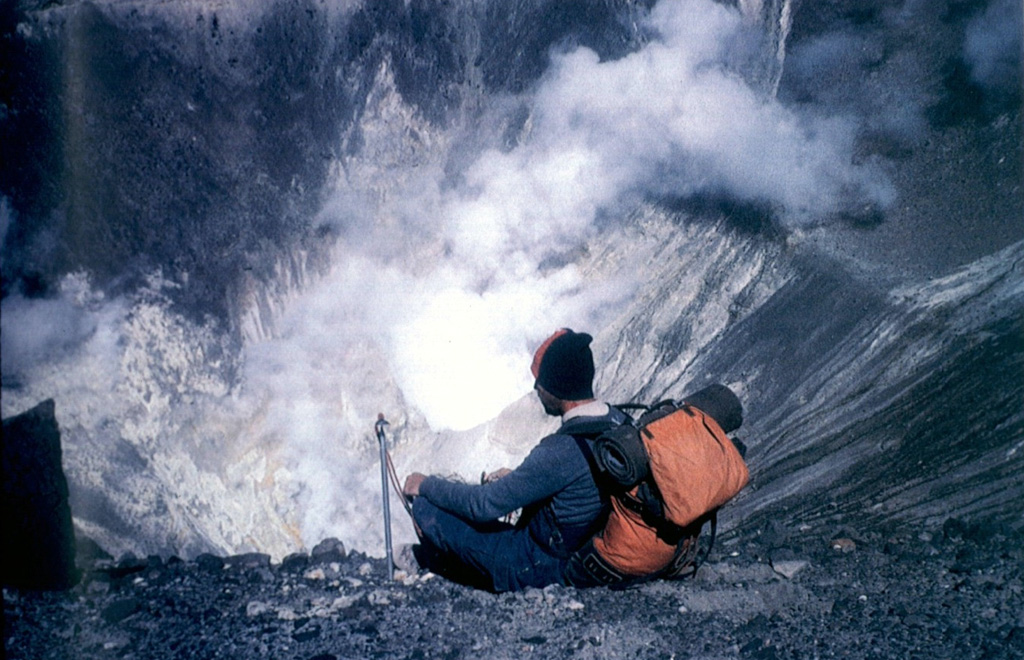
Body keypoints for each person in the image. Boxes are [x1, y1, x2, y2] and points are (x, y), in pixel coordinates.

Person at [400, 328, 628, 592]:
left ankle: (434, 563)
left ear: (556, 387)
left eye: (540, 382)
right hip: (587, 552)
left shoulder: (561, 449)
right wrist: (519, 480)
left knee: (428, 509)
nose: (536, 388)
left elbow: (482, 505)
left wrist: (425, 484)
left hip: (541, 564)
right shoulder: (618, 421)